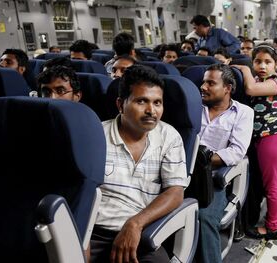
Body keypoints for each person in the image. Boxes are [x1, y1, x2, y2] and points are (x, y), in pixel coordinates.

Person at [89, 65, 188, 263]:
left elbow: (175, 192)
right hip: (94, 232)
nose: (151, 110)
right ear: (120, 105)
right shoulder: (96, 135)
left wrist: (135, 223)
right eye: (141, 101)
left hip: (141, 229)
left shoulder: (169, 137)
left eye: (157, 102)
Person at [196, 63, 254, 263]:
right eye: (203, 82)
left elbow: (236, 152)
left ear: (228, 88)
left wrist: (198, 160)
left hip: (212, 178)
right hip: (180, 172)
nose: (203, 86)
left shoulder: (243, 113)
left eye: (210, 83)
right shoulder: (194, 106)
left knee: (204, 218)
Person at [232, 45, 277, 240]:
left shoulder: (275, 83)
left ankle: (272, 227)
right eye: (257, 61)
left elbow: (250, 89)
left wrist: (245, 69)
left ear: (276, 65)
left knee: (271, 184)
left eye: (267, 62)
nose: (262, 66)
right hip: (273, 137)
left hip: (271, 138)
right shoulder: (262, 80)